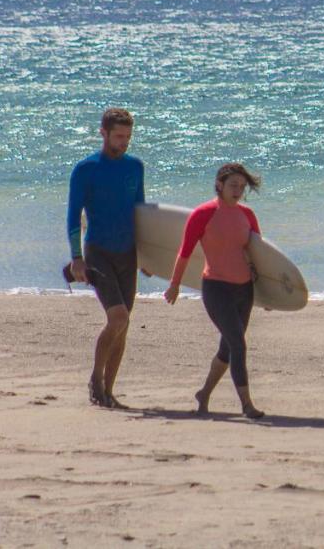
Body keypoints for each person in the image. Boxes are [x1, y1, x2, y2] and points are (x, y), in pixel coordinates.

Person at [164, 163, 266, 419]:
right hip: (216, 288)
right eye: (233, 185)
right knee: (238, 344)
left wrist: (270, 293)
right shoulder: (203, 214)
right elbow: (184, 252)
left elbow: (259, 256)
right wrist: (174, 284)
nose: (238, 191)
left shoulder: (248, 215)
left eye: (242, 187)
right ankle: (246, 404)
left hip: (245, 289)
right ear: (219, 184)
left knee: (228, 349)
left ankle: (204, 393)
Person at [67, 107, 145, 408]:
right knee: (118, 317)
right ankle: (96, 379)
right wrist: (76, 258)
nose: (124, 142)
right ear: (103, 133)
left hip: (128, 253)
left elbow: (141, 213)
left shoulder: (135, 167)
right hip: (98, 251)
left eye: (128, 137)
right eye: (119, 136)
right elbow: (73, 216)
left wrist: (149, 256)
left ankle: (108, 393)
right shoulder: (86, 169)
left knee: (123, 325)